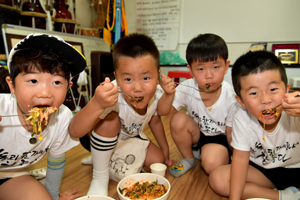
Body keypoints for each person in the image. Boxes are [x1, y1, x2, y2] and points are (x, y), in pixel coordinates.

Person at [68, 33, 170, 196]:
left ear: (158, 75)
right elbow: (74, 131)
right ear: (116, 77)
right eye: (128, 79)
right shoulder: (111, 94)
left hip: (131, 137)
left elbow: (155, 121)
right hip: (98, 137)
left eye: (145, 77)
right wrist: (96, 103)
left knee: (157, 161)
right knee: (111, 119)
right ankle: (100, 175)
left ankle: (102, 161)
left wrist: (166, 151)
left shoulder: (157, 94)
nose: (137, 88)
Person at [0, 33, 87, 200]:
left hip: (11, 175)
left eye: (56, 82)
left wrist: (53, 195)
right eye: (33, 81)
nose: (45, 93)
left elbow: (56, 160)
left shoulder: (62, 117)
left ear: (68, 87)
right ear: (12, 85)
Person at [209, 50, 300, 200]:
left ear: (287, 89)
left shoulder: (296, 109)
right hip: (264, 171)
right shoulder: (242, 117)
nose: (265, 100)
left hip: (296, 168)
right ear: (241, 101)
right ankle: (285, 196)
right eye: (253, 93)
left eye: (273, 89)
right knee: (218, 179)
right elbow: (240, 160)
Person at [158, 33, 239, 177]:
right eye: (201, 69)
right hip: (197, 134)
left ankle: (209, 153)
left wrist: (235, 159)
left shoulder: (231, 96)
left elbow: (230, 132)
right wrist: (169, 94)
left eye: (215, 67)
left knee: (211, 165)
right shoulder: (187, 87)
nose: (209, 75)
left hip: (219, 138)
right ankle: (189, 158)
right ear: (190, 70)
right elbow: (163, 112)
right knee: (177, 119)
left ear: (226, 66)